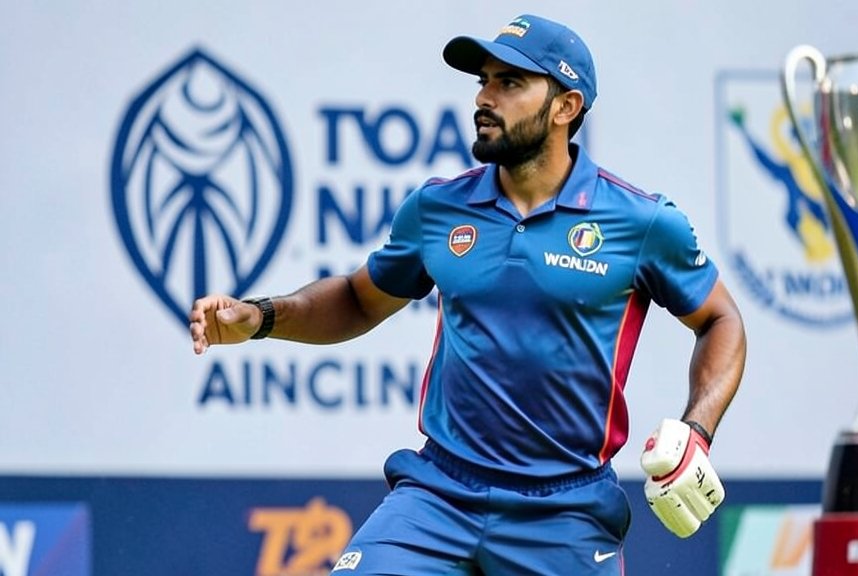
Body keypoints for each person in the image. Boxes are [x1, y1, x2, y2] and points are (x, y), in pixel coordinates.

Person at [190, 14, 745, 575]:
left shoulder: (642, 221)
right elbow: (359, 300)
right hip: (439, 493)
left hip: (566, 510)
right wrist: (260, 317)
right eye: (483, 80)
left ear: (566, 107)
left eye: (509, 83)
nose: (484, 97)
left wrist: (696, 430)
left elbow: (721, 319)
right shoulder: (439, 208)